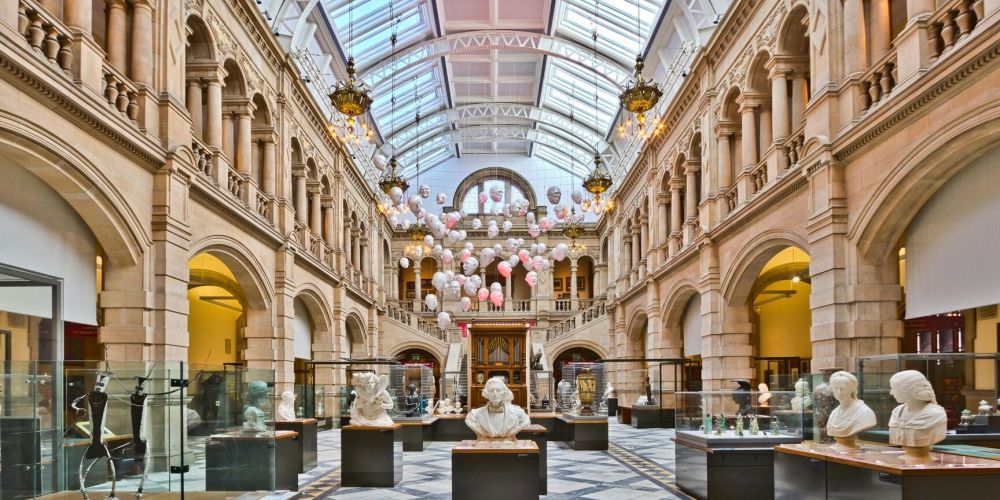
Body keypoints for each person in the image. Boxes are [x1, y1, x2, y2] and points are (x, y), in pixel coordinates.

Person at [888, 370, 946, 461]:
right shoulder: (897, 412)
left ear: (910, 390)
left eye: (895, 389)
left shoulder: (935, 414)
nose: (891, 392)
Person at [465, 377, 530, 441]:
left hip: (508, 443)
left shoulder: (518, 413)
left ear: (504, 392)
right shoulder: (474, 415)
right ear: (486, 393)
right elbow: (470, 422)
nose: (495, 394)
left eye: (498, 390)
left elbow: (525, 421)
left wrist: (515, 429)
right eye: (491, 390)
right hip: (485, 443)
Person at [825, 371, 876, 448]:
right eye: (835, 388)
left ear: (852, 389)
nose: (839, 392)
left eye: (843, 388)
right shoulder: (834, 413)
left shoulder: (865, 412)